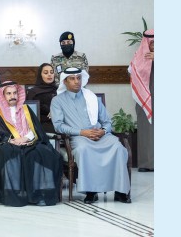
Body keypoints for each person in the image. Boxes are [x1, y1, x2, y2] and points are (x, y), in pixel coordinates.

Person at [51, 68, 131, 203]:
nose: (76, 81)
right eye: (72, 79)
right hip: (79, 137)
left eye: (78, 78)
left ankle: (120, 191)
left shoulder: (91, 97)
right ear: (65, 81)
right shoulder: (57, 101)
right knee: (84, 150)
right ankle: (91, 191)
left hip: (100, 135)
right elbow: (58, 126)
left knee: (118, 148)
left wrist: (103, 131)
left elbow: (107, 121)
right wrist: (82, 132)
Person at [0, 81, 63, 207]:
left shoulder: (26, 109)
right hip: (7, 143)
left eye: (14, 93)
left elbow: (36, 129)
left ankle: (39, 194)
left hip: (29, 142)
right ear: (3, 96)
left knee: (42, 152)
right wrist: (11, 140)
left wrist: (25, 138)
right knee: (10, 152)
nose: (12, 96)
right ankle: (13, 194)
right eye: (8, 93)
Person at [129, 29, 154, 171]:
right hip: (144, 99)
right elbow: (131, 72)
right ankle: (146, 164)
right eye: (151, 43)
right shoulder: (138, 55)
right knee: (146, 130)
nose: (153, 46)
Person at [25, 63, 59, 133]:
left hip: (59, 121)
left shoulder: (58, 90)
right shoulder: (33, 92)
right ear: (40, 75)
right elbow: (30, 113)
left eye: (51, 72)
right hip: (40, 124)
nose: (49, 75)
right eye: (46, 73)